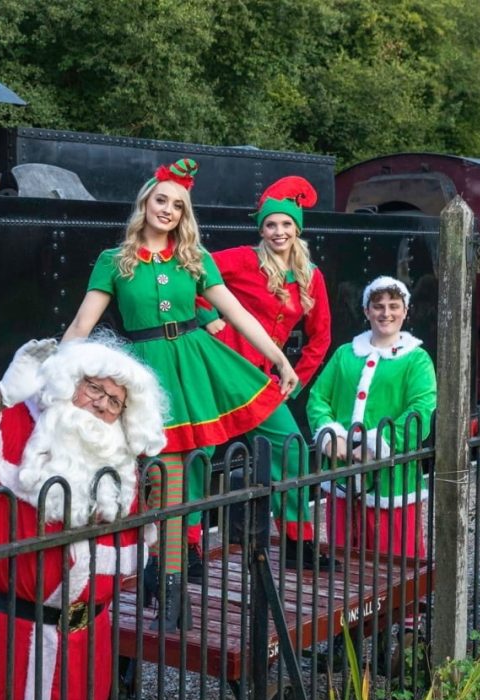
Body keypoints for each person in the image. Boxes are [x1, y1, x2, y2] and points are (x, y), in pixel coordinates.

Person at [62, 158, 301, 631]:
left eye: (178, 204)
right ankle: (154, 582)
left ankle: (170, 587)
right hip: (146, 376)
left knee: (182, 480)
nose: (168, 210)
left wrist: (279, 358)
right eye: (161, 200)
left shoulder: (195, 259)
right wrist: (51, 378)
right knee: (156, 485)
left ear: (184, 214)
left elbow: (237, 316)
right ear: (146, 203)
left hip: (194, 367)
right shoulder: (114, 262)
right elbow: (81, 327)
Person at [0, 335, 167, 700]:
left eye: (115, 402)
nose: (100, 403)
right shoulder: (17, 424)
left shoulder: (118, 459)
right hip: (5, 634)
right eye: (94, 387)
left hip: (87, 641)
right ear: (71, 383)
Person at [195, 175, 332, 561]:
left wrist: (296, 382)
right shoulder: (242, 259)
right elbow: (189, 274)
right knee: (198, 455)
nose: (278, 231)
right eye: (270, 224)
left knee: (293, 450)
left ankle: (296, 541)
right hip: (217, 372)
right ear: (261, 229)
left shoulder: (311, 277)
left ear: (297, 228)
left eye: (286, 224)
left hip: (260, 383)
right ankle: (185, 550)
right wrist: (208, 316)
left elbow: (319, 338)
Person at [306, 275, 436, 630]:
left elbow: (420, 411)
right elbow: (319, 398)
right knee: (346, 551)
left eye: (394, 306)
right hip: (344, 480)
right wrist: (330, 434)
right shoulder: (345, 355)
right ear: (366, 311)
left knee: (396, 553)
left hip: (392, 481)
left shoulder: (417, 360)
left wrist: (378, 445)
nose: (386, 313)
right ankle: (351, 621)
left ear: (405, 311)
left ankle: (404, 622)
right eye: (378, 306)